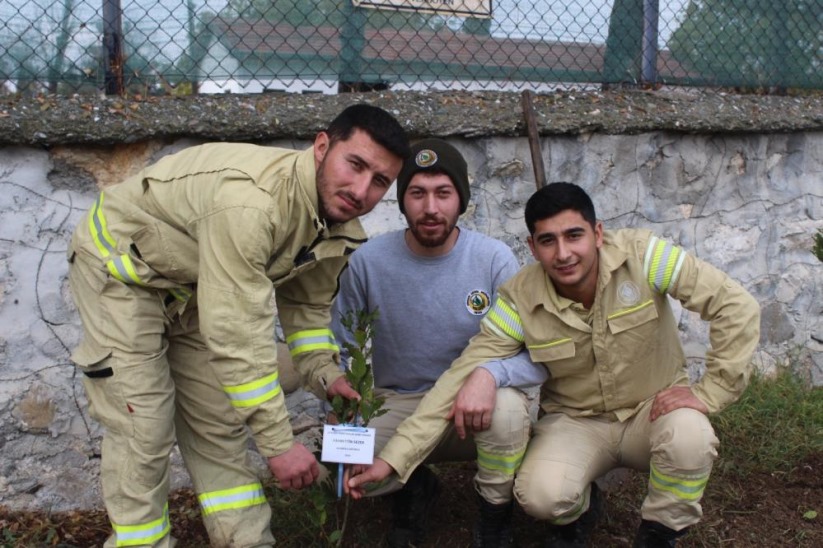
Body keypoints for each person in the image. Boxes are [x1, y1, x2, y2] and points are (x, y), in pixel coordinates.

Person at [66, 104, 409, 548]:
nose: (362, 189)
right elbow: (237, 336)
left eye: (380, 180)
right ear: (322, 146)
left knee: (216, 422)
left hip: (189, 287)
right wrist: (280, 445)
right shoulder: (252, 204)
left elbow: (305, 312)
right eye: (355, 164)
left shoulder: (336, 225)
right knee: (143, 425)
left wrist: (325, 374)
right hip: (121, 271)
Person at [348, 182, 761, 547]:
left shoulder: (645, 256)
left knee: (690, 435)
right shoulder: (518, 298)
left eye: (574, 235)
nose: (563, 254)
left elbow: (734, 305)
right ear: (532, 246)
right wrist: (396, 458)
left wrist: (711, 391)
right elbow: (456, 378)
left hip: (651, 412)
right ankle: (578, 512)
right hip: (576, 422)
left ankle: (659, 533)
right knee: (541, 496)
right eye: (548, 240)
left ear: (597, 233)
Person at [332, 139, 545, 547]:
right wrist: (341, 401)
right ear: (402, 201)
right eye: (417, 193)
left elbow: (532, 355)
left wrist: (488, 374)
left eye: (443, 193)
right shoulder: (368, 261)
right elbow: (341, 344)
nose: (430, 208)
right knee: (341, 467)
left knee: (508, 410)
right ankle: (416, 489)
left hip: (472, 406)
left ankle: (494, 513)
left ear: (460, 200)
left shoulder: (493, 259)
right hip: (398, 402)